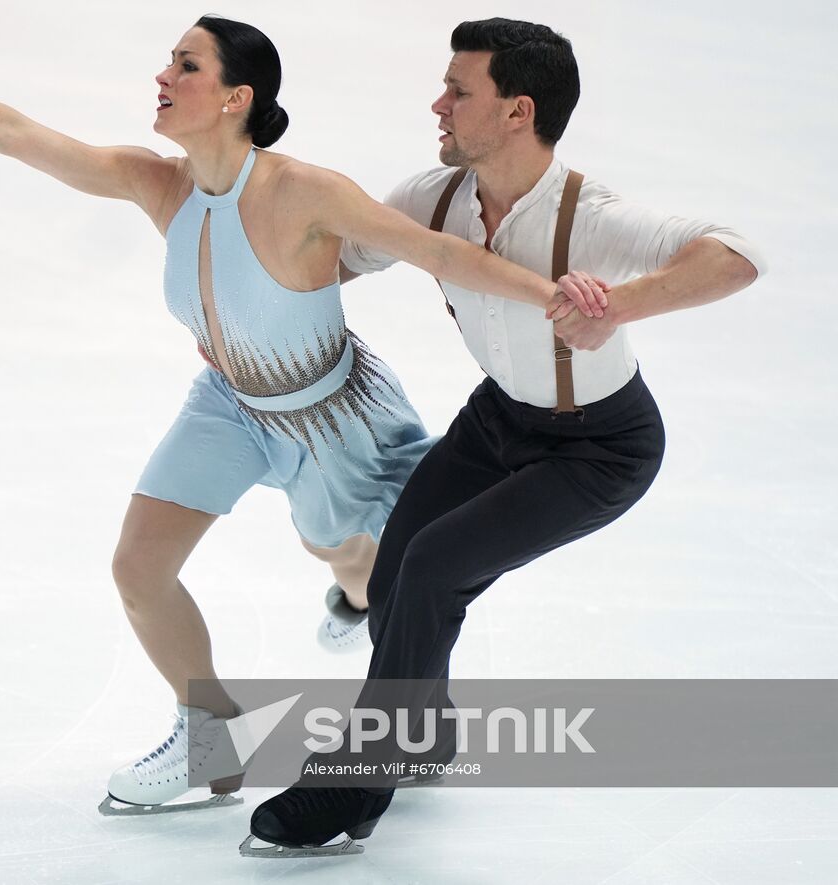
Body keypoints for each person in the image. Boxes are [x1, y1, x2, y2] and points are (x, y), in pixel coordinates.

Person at [0, 15, 603, 816]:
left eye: (186, 65)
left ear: (237, 96)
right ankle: (208, 737)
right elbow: (15, 133)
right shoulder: (159, 183)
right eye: (168, 62)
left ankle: (387, 665)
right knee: (138, 566)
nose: (163, 77)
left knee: (367, 572)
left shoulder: (305, 192)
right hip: (231, 408)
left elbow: (440, 252)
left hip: (331, 415)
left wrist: (552, 297)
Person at [245, 17, 765, 857]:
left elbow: (737, 256)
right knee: (396, 577)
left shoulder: (588, 217)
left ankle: (359, 779)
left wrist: (617, 310)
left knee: (435, 567)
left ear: (518, 112)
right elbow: (333, 259)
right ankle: (428, 733)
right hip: (498, 420)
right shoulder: (435, 199)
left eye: (459, 91)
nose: (438, 103)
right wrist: (238, 306)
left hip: (599, 448)